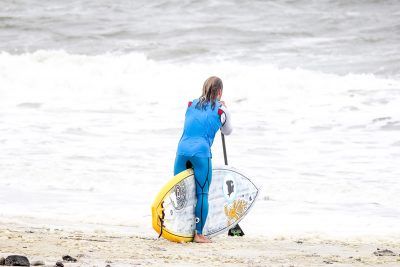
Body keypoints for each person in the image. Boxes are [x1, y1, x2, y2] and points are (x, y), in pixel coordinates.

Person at [174, 76, 232, 243]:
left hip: (181, 152)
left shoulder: (190, 104)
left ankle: (178, 228)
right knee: (202, 194)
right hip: (201, 154)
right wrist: (225, 111)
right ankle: (198, 234)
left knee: (180, 193)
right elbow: (227, 131)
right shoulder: (221, 110)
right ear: (220, 92)